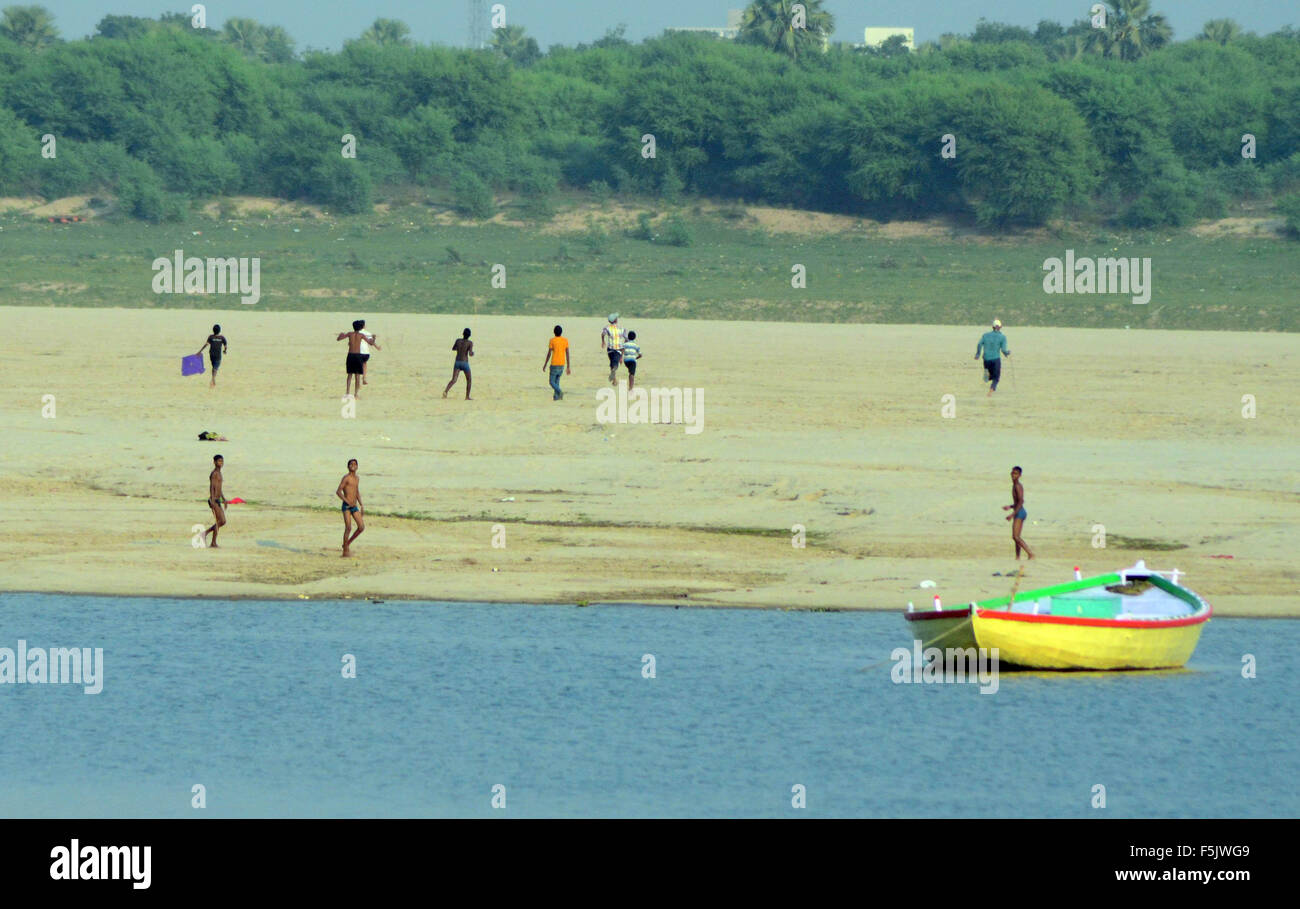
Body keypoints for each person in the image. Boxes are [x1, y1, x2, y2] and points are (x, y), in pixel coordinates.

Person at [1002, 466, 1035, 560]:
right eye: (1012, 473)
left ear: (1020, 475)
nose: (1013, 475)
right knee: (1017, 537)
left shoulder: (1017, 486)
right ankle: (1017, 556)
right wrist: (1010, 506)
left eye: (1016, 473)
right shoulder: (1014, 485)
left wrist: (1012, 514)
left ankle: (1030, 554)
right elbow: (1017, 502)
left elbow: (1021, 501)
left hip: (1020, 512)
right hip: (1018, 510)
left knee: (1015, 536)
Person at [974, 318, 1011, 397]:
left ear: (992, 327)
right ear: (1000, 327)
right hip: (995, 359)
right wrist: (1007, 353)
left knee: (988, 376)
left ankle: (986, 378)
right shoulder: (1002, 337)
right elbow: (1004, 350)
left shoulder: (985, 335)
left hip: (986, 359)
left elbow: (979, 344)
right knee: (996, 378)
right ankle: (990, 392)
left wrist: (977, 354)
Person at [336, 458, 365, 557]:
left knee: (361, 527)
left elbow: (356, 491)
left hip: (354, 506)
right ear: (348, 467)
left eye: (355, 464)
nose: (353, 465)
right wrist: (346, 500)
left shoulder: (357, 478)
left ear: (357, 466)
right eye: (351, 464)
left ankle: (347, 543)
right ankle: (345, 552)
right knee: (348, 527)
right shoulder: (346, 478)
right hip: (347, 506)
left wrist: (361, 505)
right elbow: (338, 491)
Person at [337, 321, 369, 399]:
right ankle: (356, 394)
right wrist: (374, 338)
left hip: (350, 355)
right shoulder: (361, 335)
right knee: (357, 376)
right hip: (358, 356)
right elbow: (370, 342)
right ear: (361, 327)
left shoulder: (349, 334)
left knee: (349, 375)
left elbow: (339, 339)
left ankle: (347, 393)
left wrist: (340, 334)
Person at [443, 328, 474, 400]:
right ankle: (467, 396)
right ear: (469, 335)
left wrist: (459, 348)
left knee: (454, 380)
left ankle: (446, 391)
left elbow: (453, 348)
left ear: (463, 334)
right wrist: (472, 353)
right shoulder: (470, 343)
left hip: (457, 362)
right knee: (469, 380)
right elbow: (470, 354)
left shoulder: (458, 340)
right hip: (465, 363)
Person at [543, 325, 571, 400]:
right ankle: (556, 397)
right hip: (562, 364)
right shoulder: (565, 340)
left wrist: (545, 364)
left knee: (551, 382)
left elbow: (549, 354)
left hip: (554, 364)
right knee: (557, 382)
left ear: (554, 332)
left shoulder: (552, 340)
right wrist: (568, 366)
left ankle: (559, 391)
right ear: (561, 332)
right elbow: (567, 353)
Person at [204, 454, 226, 548]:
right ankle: (213, 542)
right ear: (214, 462)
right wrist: (212, 499)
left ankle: (205, 533)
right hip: (214, 500)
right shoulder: (214, 473)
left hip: (218, 500)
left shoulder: (220, 473)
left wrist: (224, 499)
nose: (220, 463)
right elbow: (212, 487)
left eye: (222, 461)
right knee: (219, 521)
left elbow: (219, 488)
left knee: (223, 521)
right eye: (219, 461)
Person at [601, 313, 624, 385]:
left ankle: (614, 380)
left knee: (612, 362)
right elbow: (626, 339)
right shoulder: (621, 329)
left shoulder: (606, 328)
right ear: (616, 320)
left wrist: (603, 342)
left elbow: (603, 334)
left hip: (610, 349)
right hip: (618, 349)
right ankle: (614, 370)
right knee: (615, 363)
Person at [357, 319, 381, 386]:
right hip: (366, 353)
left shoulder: (356, 332)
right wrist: (377, 346)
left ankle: (358, 381)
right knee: (364, 364)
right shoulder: (367, 333)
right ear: (364, 326)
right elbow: (371, 343)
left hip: (358, 352)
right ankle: (364, 378)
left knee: (358, 366)